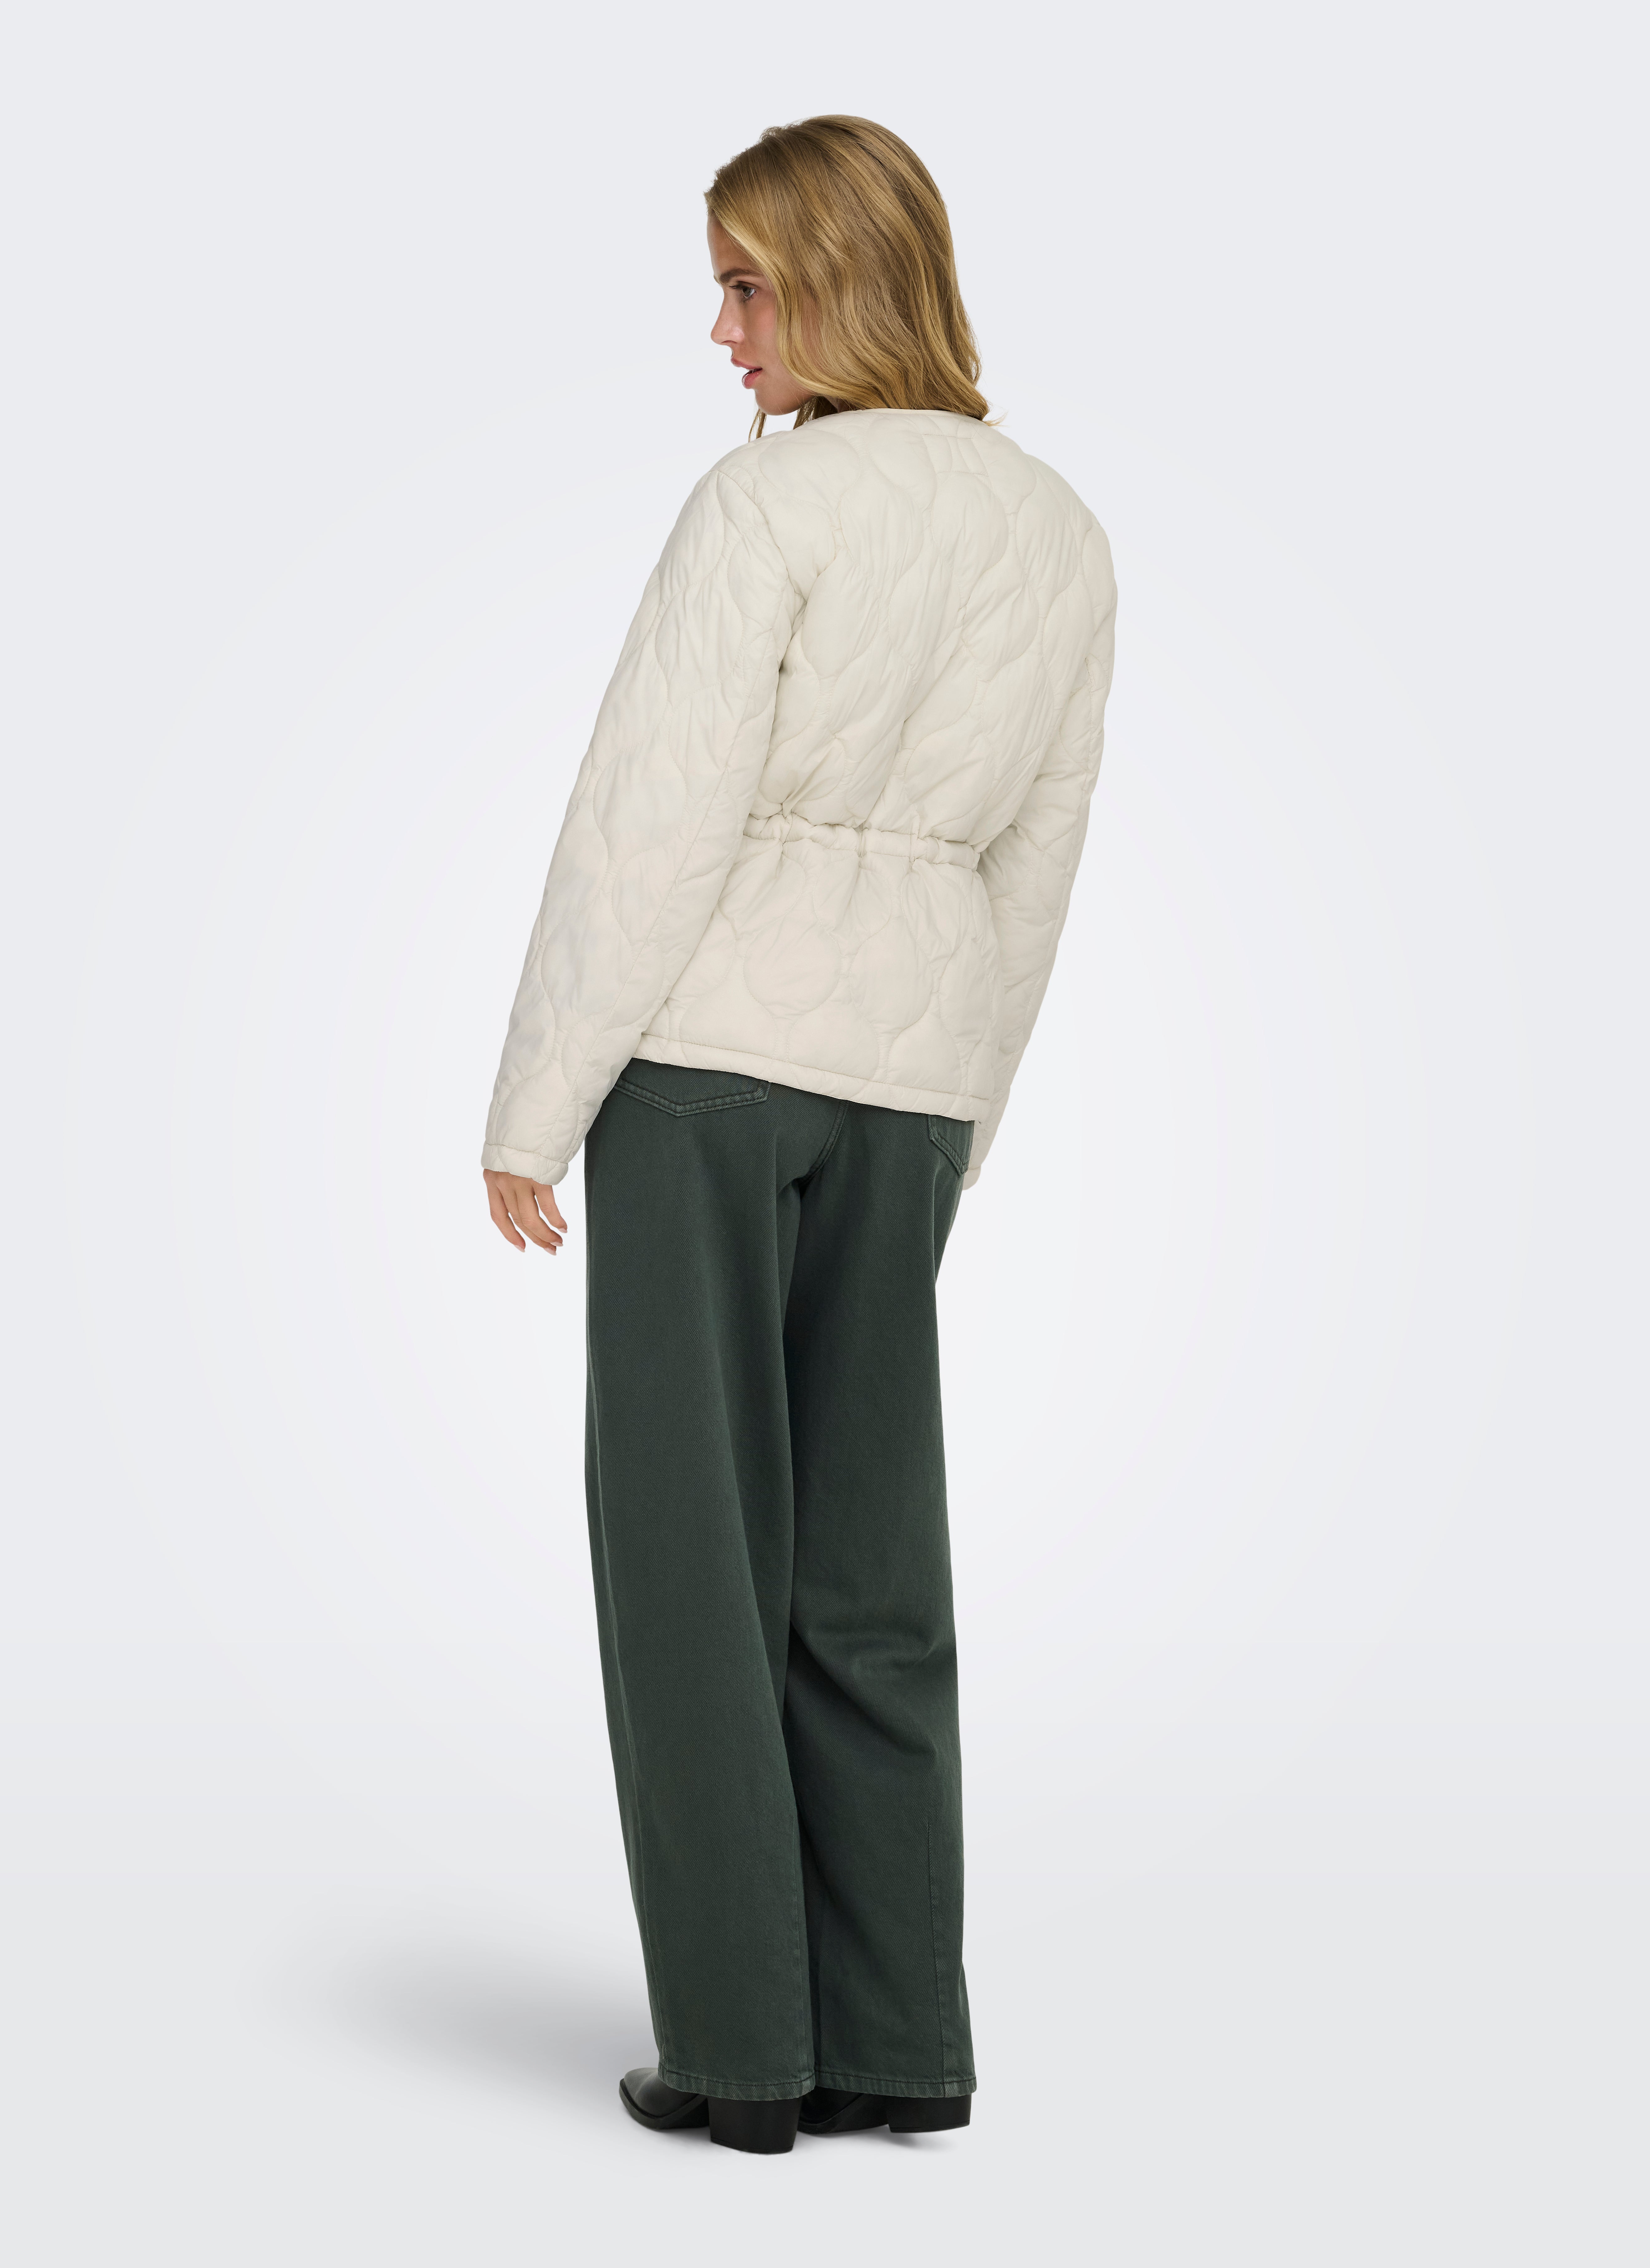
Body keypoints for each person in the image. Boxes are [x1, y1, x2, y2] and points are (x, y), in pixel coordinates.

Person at [482, 115, 1116, 2155]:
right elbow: (1038, 867)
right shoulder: (1060, 533)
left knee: (692, 1560)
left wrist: (535, 1103)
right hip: (907, 1087)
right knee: (871, 1573)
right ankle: (900, 2044)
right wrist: (964, 1120)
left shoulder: (767, 508)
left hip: (706, 1067)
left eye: (749, 287)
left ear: (848, 279)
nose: (725, 334)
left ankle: (742, 2053)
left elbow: (647, 820)